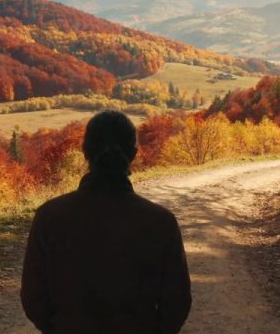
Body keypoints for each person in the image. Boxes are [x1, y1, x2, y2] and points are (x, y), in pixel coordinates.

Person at [21, 110, 191, 334]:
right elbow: (177, 304)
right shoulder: (161, 222)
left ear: (85, 152)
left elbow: (34, 299)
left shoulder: (49, 217)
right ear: (133, 154)